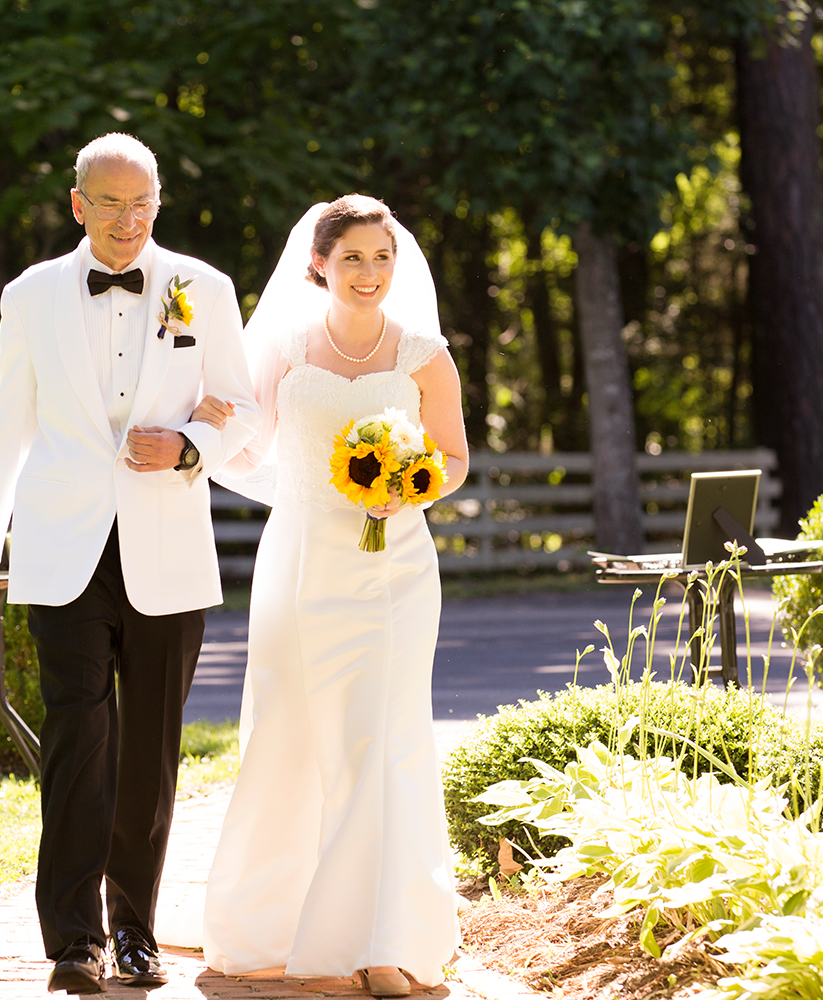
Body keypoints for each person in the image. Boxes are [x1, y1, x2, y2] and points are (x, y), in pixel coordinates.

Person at [0, 132, 260, 995]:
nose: (129, 221)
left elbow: (246, 415)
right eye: (112, 204)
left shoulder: (207, 288)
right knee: (79, 735)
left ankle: (137, 933)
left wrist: (190, 444)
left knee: (152, 748)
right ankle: (73, 943)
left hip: (168, 550)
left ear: (159, 204)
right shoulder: (31, 294)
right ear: (78, 204)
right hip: (64, 551)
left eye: (144, 204)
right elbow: (6, 424)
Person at [198, 195, 470, 996]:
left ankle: (381, 940)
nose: (369, 273)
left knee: (379, 739)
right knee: (289, 731)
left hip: (394, 576)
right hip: (302, 561)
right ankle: (273, 922)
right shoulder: (284, 347)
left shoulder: (424, 354)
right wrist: (201, 415)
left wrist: (411, 488)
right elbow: (246, 442)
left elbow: (452, 457)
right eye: (352, 258)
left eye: (381, 258)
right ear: (319, 263)